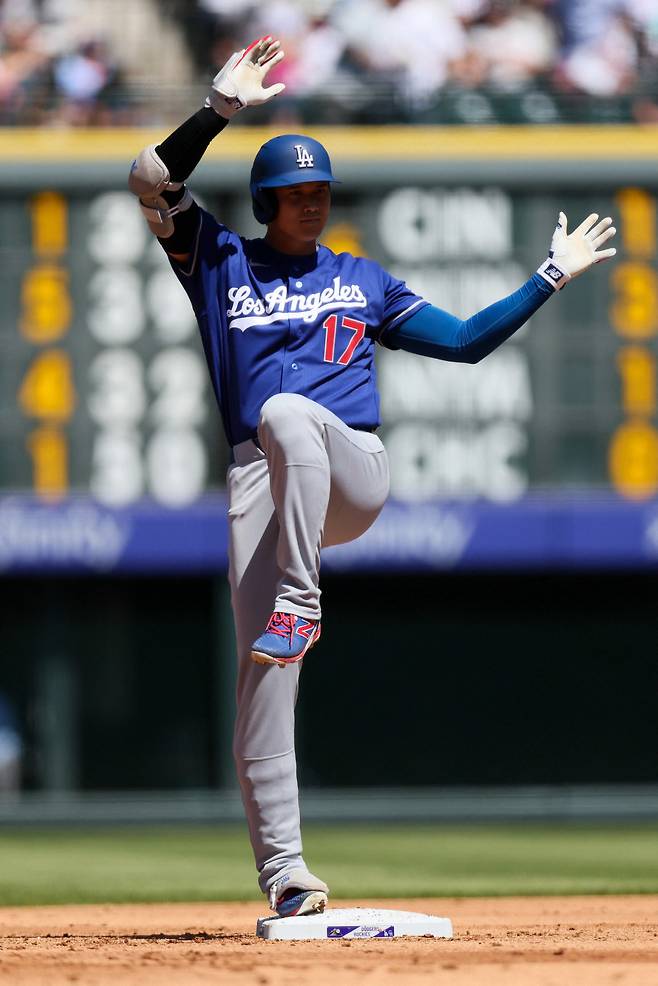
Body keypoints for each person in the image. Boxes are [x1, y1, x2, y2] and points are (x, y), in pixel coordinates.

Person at [128, 36, 616, 918]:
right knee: (261, 679)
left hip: (351, 472)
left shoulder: (360, 278)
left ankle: (303, 597)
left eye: (322, 193)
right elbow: (146, 178)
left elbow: (465, 342)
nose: (312, 205)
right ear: (268, 200)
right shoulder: (218, 258)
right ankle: (287, 877)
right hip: (260, 488)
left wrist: (549, 277)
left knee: (287, 413)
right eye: (296, 194)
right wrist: (221, 109)